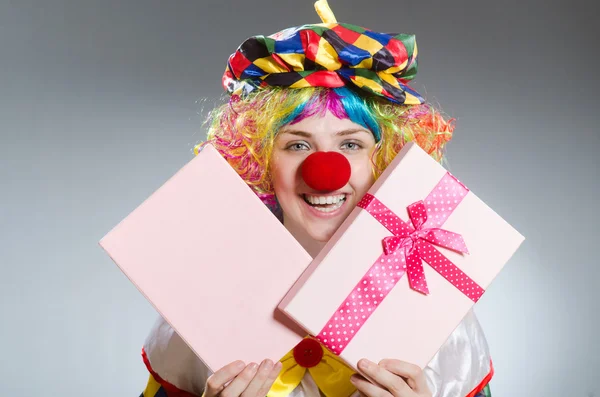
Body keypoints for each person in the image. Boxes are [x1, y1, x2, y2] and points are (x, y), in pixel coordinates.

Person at [139, 1, 494, 396]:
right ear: (258, 160)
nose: (325, 171)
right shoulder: (197, 305)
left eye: (350, 144)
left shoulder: (438, 311)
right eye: (296, 145)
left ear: (386, 158)